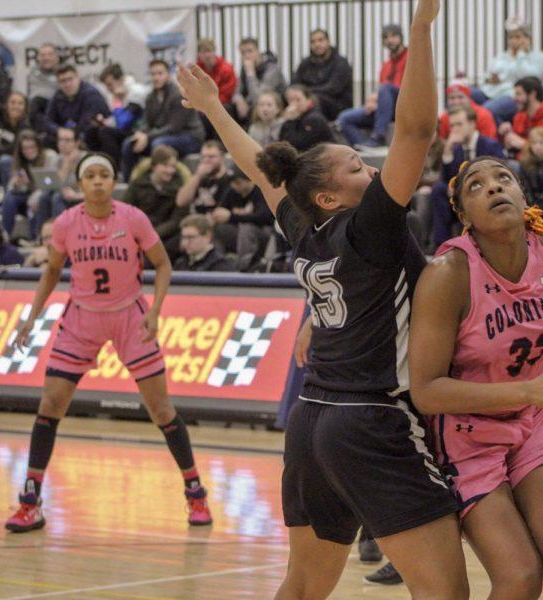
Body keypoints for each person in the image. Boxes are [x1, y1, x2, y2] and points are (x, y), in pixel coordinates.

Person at [177, 0, 470, 596]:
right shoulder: (371, 229)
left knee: (305, 588)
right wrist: (420, 28)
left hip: (310, 420)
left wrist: (212, 109)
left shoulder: (303, 228)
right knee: (446, 593)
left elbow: (263, 173)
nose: (373, 172)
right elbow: (415, 130)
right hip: (371, 417)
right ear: (332, 198)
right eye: (359, 167)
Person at [409, 155, 543, 600]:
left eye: (504, 179)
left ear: (522, 194)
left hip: (532, 422)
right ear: (463, 216)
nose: (494, 188)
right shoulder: (448, 275)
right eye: (476, 186)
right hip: (466, 436)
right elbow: (426, 391)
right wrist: (532, 389)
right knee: (520, 576)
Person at [4, 152, 212, 534]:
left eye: (104, 175)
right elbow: (51, 271)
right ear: (80, 184)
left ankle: (195, 491)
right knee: (50, 405)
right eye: (90, 176)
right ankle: (30, 502)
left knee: (161, 409)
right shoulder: (66, 222)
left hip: (129, 316)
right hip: (81, 316)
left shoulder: (132, 217)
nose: (97, 181)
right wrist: (31, 318)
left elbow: (163, 264)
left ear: (113, 182)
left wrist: (157, 310)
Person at [430, 105, 505, 248]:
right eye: (452, 125)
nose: (455, 129)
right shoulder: (456, 149)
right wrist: (447, 151)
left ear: (472, 124)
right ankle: (441, 246)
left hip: (484, 194)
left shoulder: (489, 145)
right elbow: (446, 181)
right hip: (461, 200)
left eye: (459, 124)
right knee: (439, 189)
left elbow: (499, 176)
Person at [121, 60, 205, 182]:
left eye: (160, 73)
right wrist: (141, 134)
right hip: (165, 135)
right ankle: (130, 184)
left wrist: (147, 136)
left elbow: (174, 127)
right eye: (153, 74)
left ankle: (159, 182)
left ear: (168, 75)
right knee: (129, 144)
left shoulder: (178, 94)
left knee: (159, 144)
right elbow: (147, 123)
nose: (156, 77)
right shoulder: (151, 97)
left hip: (190, 137)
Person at [336, 24, 408, 147]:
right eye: (385, 37)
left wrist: (378, 96)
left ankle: (378, 135)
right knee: (344, 118)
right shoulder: (386, 65)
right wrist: (373, 100)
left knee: (385, 88)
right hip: (386, 109)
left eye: (393, 36)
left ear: (401, 37)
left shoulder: (412, 58)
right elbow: (382, 90)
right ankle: (365, 146)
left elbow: (403, 88)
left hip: (406, 106)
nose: (389, 40)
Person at [471, 17, 543, 124]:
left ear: (527, 39)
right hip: (490, 92)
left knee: (486, 110)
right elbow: (484, 77)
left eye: (518, 37)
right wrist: (490, 79)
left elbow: (532, 79)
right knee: (463, 95)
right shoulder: (502, 56)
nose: (513, 41)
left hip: (511, 95)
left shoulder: (538, 57)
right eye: (511, 37)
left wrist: (521, 55)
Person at [122, 145, 189, 260]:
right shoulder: (138, 184)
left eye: (173, 166)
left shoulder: (180, 188)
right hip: (139, 233)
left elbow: (177, 219)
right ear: (154, 166)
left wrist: (153, 234)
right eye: (165, 165)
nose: (170, 171)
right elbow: (125, 211)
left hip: (167, 236)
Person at [209, 166, 274, 271]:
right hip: (239, 235)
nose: (234, 186)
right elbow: (221, 209)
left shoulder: (260, 191)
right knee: (219, 229)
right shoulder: (232, 191)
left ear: (250, 180)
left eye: (238, 182)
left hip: (264, 235)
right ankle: (217, 265)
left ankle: (241, 269)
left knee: (246, 228)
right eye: (232, 182)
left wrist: (232, 217)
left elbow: (265, 217)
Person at [84, 63, 148, 167]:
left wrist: (118, 101)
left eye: (110, 84)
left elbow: (123, 122)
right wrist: (103, 121)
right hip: (126, 129)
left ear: (122, 79)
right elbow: (115, 120)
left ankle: (113, 168)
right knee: (92, 132)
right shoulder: (115, 93)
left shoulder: (136, 92)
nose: (108, 89)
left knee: (105, 132)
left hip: (138, 130)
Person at [501, 76, 543, 167]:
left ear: (532, 94)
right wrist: (506, 137)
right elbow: (513, 147)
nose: (515, 99)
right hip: (526, 166)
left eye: (519, 94)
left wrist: (525, 145)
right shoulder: (520, 117)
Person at [0, 130, 58, 239]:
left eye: (32, 147)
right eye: (25, 148)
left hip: (44, 196)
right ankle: (4, 235)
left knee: (40, 199)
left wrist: (35, 196)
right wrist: (17, 184)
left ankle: (36, 237)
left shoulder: (50, 156)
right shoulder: (20, 162)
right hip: (27, 197)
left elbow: (51, 183)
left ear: (38, 146)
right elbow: (10, 188)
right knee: (9, 197)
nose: (29, 151)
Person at [292, 28, 354, 121]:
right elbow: (294, 84)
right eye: (313, 42)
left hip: (337, 105)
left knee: (314, 99)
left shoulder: (340, 62)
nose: (317, 44)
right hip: (308, 99)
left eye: (321, 40)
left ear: (328, 42)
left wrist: (307, 92)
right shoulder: (305, 63)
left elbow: (333, 88)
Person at [41, 65, 109, 147]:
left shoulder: (91, 94)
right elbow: (47, 120)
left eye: (70, 79)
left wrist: (70, 133)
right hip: (66, 133)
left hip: (87, 134)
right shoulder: (58, 95)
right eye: (63, 81)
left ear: (78, 78)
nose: (67, 84)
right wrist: (58, 130)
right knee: (45, 139)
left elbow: (88, 121)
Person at [0, 92, 30, 202]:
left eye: (20, 103)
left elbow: (12, 151)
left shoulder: (25, 128)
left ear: (25, 107)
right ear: (7, 105)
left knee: (5, 160)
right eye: (12, 102)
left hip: (18, 167)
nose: (16, 106)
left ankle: (8, 199)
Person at [231, 37, 288, 125]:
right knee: (228, 109)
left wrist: (250, 73)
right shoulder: (244, 68)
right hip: (253, 103)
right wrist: (239, 100)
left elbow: (258, 97)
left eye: (250, 51)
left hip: (273, 105)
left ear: (258, 51)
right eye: (243, 53)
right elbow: (237, 92)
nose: (246, 55)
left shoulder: (272, 68)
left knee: (256, 107)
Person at [175, 139, 232, 215]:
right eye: (203, 157)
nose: (206, 160)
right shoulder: (199, 178)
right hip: (196, 218)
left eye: (211, 157)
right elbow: (181, 202)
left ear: (222, 158)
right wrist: (198, 175)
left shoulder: (229, 179)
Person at [278, 85, 335, 152]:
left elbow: (296, 145)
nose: (293, 104)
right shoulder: (297, 118)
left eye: (298, 100)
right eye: (290, 100)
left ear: (308, 100)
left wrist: (290, 120)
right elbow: (281, 141)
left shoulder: (314, 119)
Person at [26, 43, 61, 124]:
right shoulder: (31, 73)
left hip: (56, 110)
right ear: (38, 58)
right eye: (43, 55)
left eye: (50, 54)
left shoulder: (63, 74)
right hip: (35, 111)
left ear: (57, 57)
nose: (46, 58)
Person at [196, 38, 237, 105]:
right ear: (199, 54)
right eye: (203, 52)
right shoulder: (197, 69)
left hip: (222, 104)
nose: (207, 55)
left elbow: (227, 94)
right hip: (203, 104)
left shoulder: (226, 69)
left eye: (209, 51)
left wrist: (209, 104)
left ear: (214, 51)